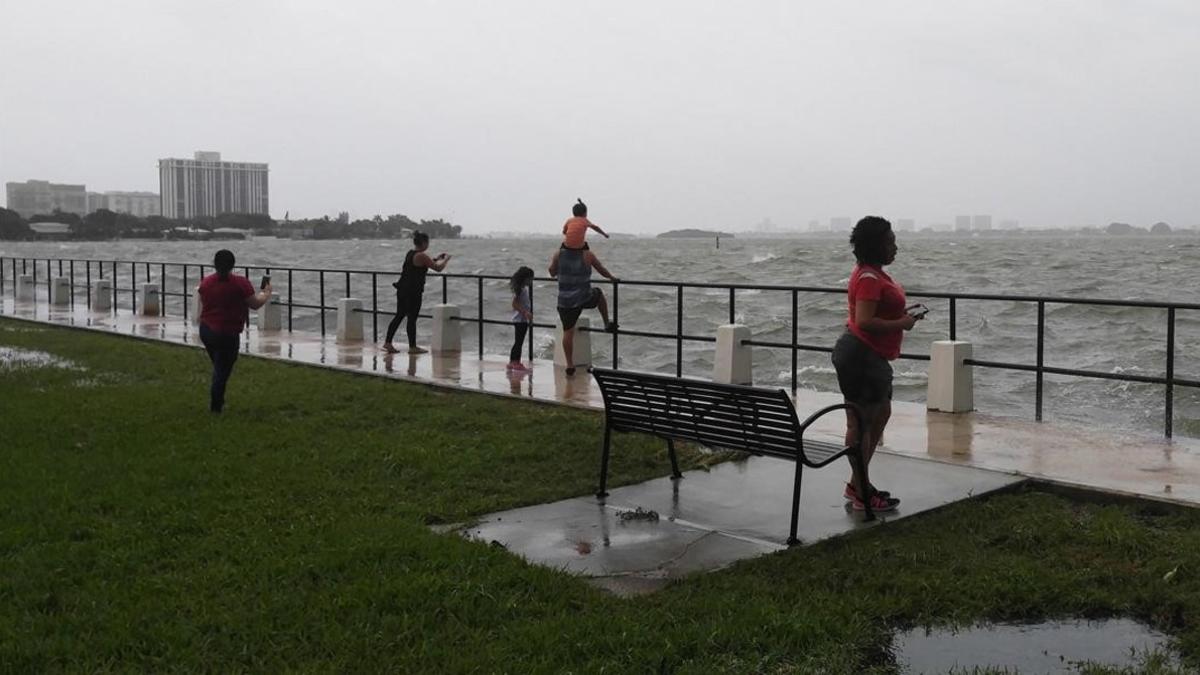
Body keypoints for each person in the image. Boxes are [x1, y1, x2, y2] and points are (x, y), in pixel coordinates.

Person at [830, 216, 924, 512]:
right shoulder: (869, 278)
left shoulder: (870, 274)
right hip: (862, 355)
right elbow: (865, 321)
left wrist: (900, 318)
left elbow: (870, 315)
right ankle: (860, 491)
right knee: (861, 423)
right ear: (876, 245)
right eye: (890, 241)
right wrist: (903, 322)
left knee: (876, 416)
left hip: (865, 355)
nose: (895, 246)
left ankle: (857, 484)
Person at [197, 249, 273, 413]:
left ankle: (219, 401)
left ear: (214, 264)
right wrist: (266, 294)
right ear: (233, 265)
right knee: (222, 370)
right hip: (227, 333)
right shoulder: (240, 283)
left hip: (206, 330)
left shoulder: (206, 282)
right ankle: (216, 407)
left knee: (219, 365)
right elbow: (254, 304)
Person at [549, 244, 617, 376]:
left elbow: (552, 272)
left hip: (565, 300)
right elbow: (601, 269)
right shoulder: (588, 255)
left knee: (568, 332)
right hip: (584, 297)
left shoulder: (559, 254)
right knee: (599, 294)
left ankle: (569, 364)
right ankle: (606, 323)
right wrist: (612, 278)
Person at [383, 231, 450, 354]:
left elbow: (425, 263)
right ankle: (413, 347)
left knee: (399, 316)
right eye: (428, 242)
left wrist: (437, 258)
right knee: (412, 318)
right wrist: (446, 260)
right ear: (424, 243)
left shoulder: (411, 253)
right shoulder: (421, 255)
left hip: (403, 289)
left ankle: (388, 342)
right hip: (412, 291)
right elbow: (438, 268)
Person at [507, 266, 535, 372]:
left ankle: (512, 361)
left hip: (521, 319)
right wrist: (525, 313)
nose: (532, 281)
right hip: (520, 319)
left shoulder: (521, 288)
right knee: (519, 341)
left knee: (518, 341)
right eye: (531, 278)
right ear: (525, 278)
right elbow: (514, 304)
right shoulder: (520, 290)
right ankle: (516, 362)